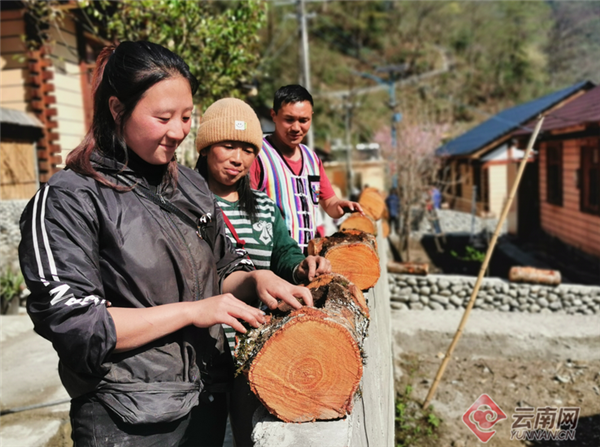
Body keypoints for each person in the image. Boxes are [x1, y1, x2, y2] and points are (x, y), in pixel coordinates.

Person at [18, 41, 312, 447]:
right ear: (117, 109)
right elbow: (78, 327)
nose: (178, 131)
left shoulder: (189, 186)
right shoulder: (70, 198)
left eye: (187, 117)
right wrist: (194, 311)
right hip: (127, 418)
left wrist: (257, 279)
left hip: (205, 402)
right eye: (163, 117)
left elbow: (222, 267)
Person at [194, 97, 331, 446]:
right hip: (200, 351)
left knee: (247, 436)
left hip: (253, 347)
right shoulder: (186, 207)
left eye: (248, 149)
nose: (238, 159)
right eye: (228, 145)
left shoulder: (265, 207)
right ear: (207, 147)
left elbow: (282, 253)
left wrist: (302, 266)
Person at [250, 84, 363, 253]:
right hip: (271, 259)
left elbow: (329, 202)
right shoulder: (258, 155)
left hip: (307, 259)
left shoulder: (312, 159)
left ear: (311, 117)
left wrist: (340, 206)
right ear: (274, 115)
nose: (296, 128)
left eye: (303, 120)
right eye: (289, 119)